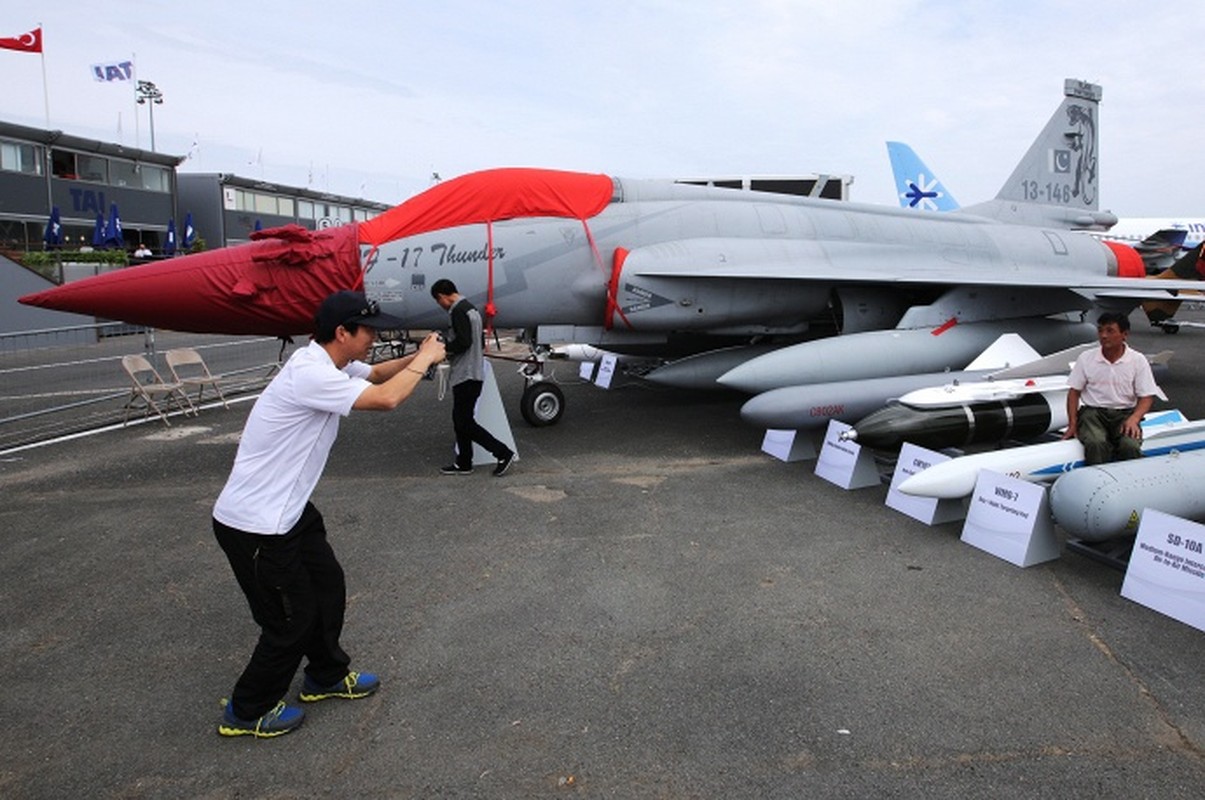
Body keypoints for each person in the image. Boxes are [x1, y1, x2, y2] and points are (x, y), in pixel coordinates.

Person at [212, 290, 445, 738]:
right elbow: (386, 399)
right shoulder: (309, 375)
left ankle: (325, 675)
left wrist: (421, 355)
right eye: (369, 330)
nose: (375, 338)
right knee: (289, 621)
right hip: (256, 524)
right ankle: (248, 709)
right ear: (343, 332)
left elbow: (377, 374)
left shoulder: (328, 363)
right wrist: (425, 360)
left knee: (327, 587)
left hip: (290, 511)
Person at [429, 278, 515, 476]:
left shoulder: (458, 311)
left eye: (437, 300)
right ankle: (464, 462)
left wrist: (443, 348)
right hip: (474, 371)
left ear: (442, 296)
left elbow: (463, 342)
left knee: (464, 422)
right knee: (460, 419)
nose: (439, 305)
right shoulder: (471, 310)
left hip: (465, 374)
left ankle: (502, 452)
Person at [1063, 311, 1163, 465]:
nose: (1103, 336)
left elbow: (1146, 397)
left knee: (1129, 446)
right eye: (1100, 330)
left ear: (1124, 334)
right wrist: (1073, 424)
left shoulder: (1137, 360)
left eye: (1110, 331)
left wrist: (1134, 419)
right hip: (1093, 413)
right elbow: (1074, 392)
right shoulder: (1086, 358)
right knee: (1096, 443)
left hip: (1124, 414)